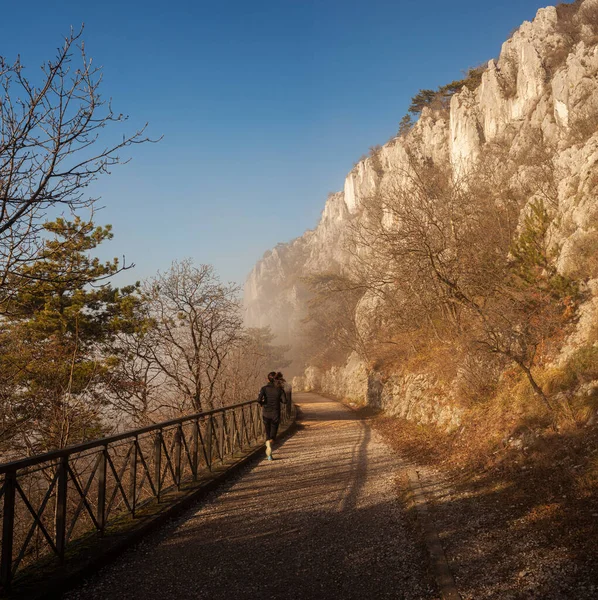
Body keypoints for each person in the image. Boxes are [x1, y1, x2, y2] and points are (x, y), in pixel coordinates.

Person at [258, 371, 287, 460]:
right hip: (275, 414)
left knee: (267, 433)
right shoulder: (279, 389)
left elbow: (258, 399)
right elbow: (285, 401)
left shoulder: (264, 388)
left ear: (268, 379)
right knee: (273, 435)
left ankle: (269, 453)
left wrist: (262, 403)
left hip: (266, 413)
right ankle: (270, 447)